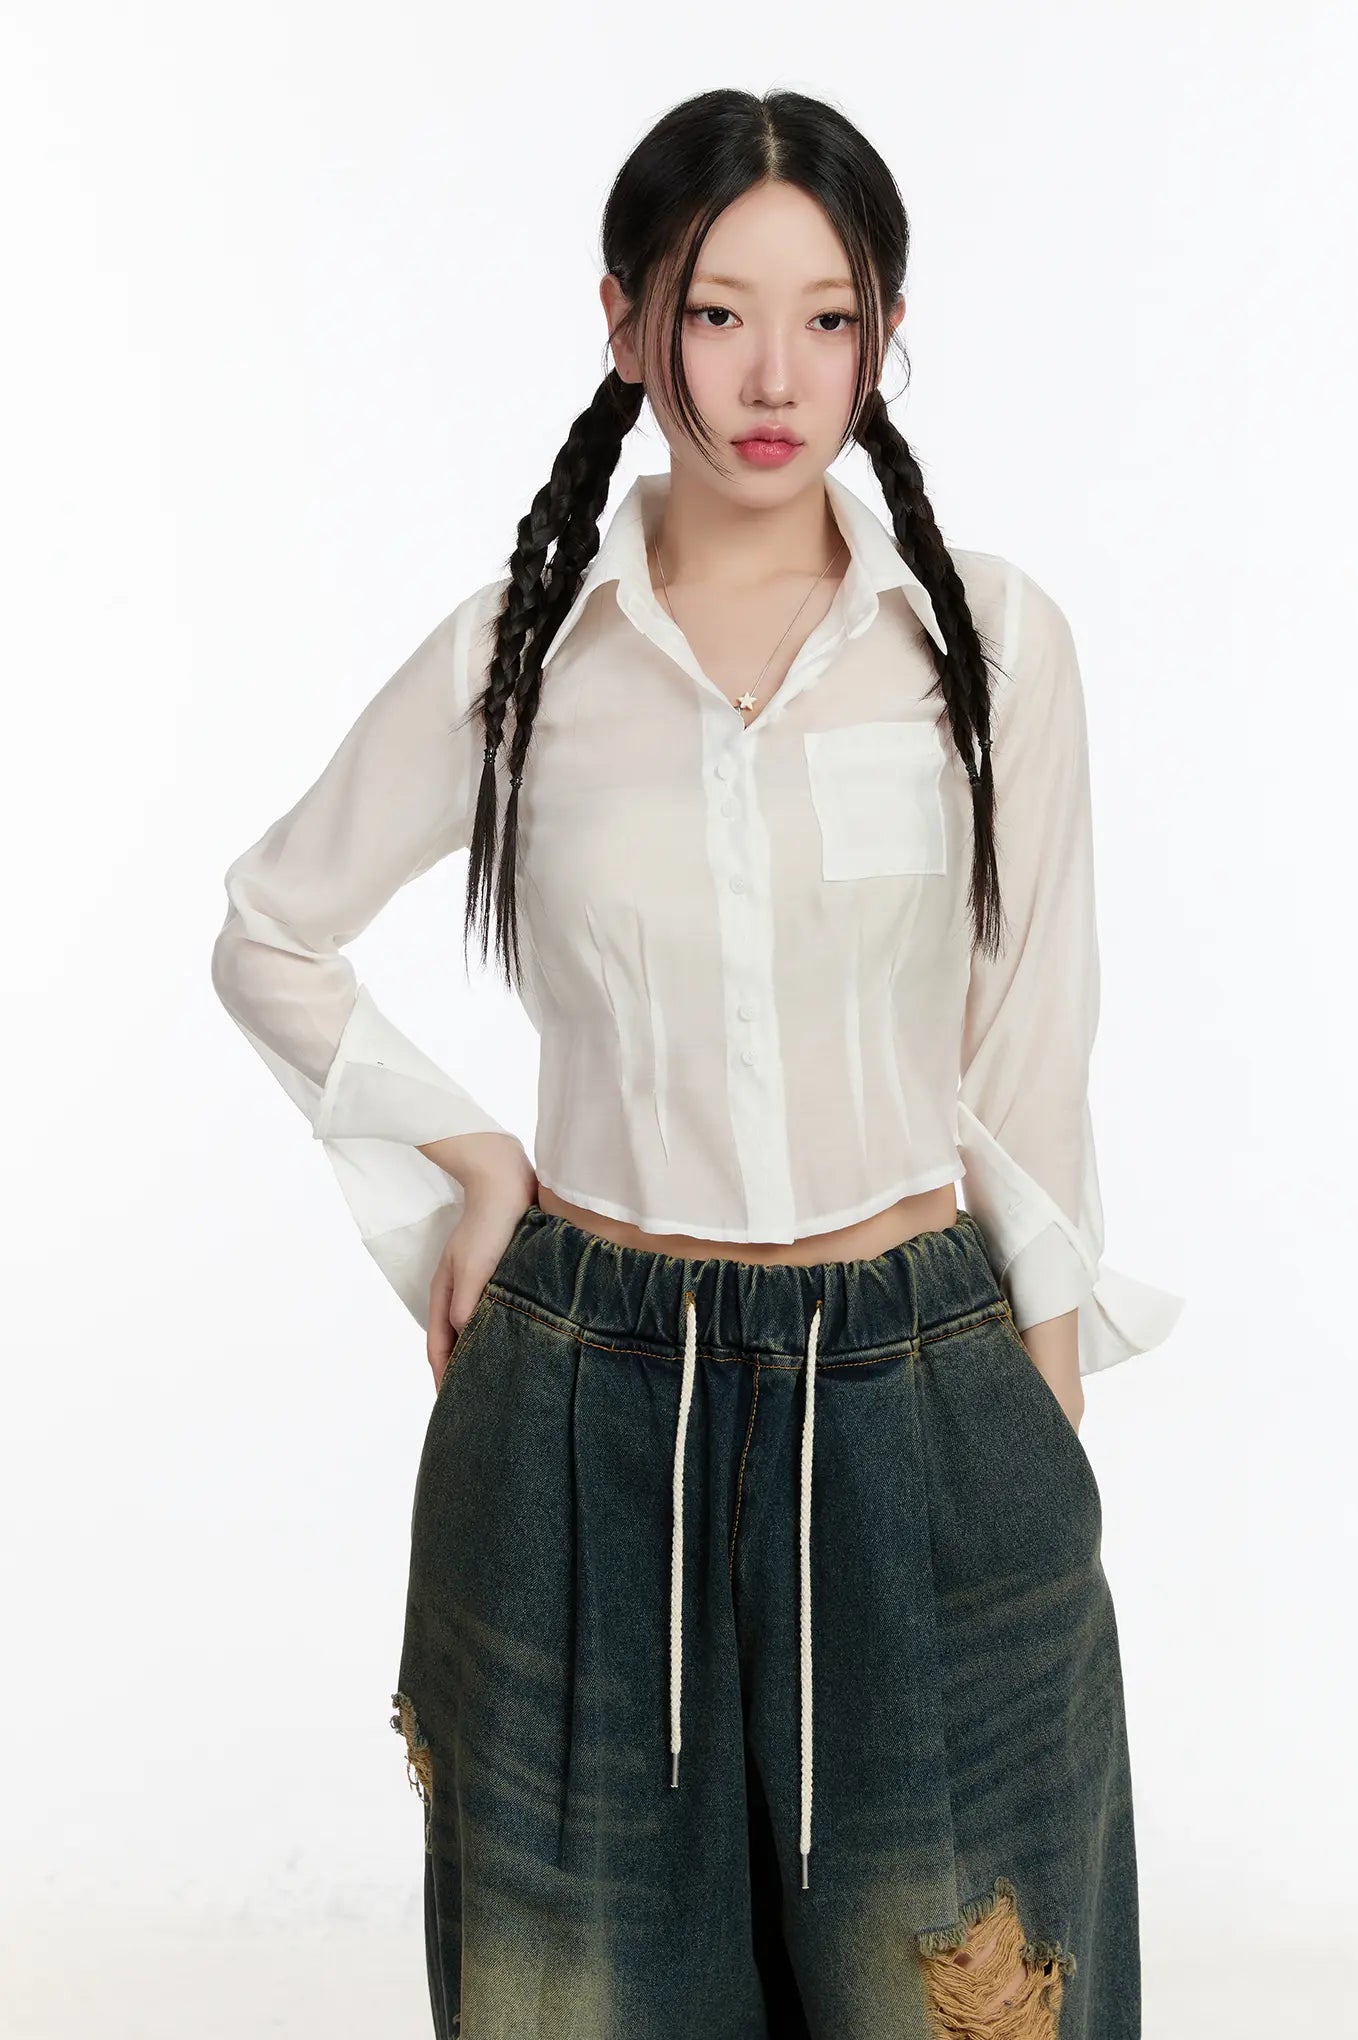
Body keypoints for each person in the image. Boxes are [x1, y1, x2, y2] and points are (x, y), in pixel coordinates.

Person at [211, 83, 1184, 2040]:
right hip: (582, 1417)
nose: (772, 376)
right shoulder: (521, 661)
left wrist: (1042, 1425)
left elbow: (1033, 1049)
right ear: (624, 320)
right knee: (580, 2001)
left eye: (828, 317)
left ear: (885, 332)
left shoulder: (991, 649)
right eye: (717, 311)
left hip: (922, 1400)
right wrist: (471, 1162)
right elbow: (270, 931)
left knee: (974, 2000)